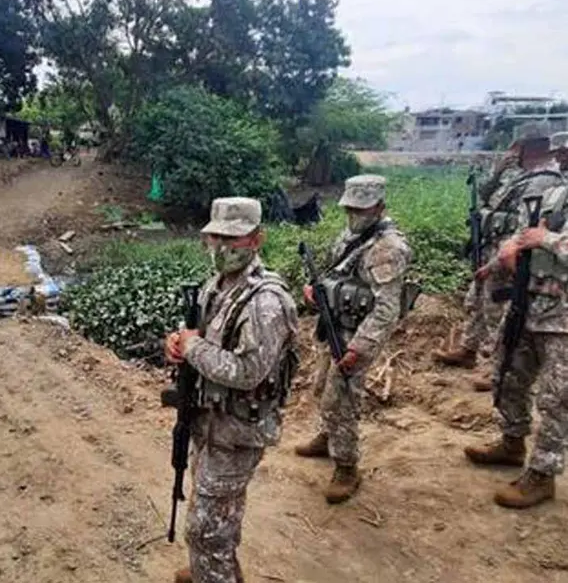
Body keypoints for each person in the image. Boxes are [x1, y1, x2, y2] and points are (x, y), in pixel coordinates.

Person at [165, 197, 299, 583]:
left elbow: (248, 372)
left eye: (233, 239)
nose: (222, 248)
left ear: (257, 239)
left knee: (206, 530)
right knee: (216, 517)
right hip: (209, 421)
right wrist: (177, 344)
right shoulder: (219, 285)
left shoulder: (266, 302)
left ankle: (212, 569)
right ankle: (212, 569)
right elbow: (205, 339)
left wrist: (192, 347)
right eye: (216, 238)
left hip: (237, 430)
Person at [464, 130, 568, 509]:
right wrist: (498, 259)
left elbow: (539, 238)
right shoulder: (556, 195)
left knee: (557, 399)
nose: (561, 160)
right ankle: (511, 442)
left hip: (563, 318)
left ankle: (541, 475)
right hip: (528, 301)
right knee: (507, 375)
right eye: (560, 152)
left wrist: (547, 240)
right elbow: (520, 236)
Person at [294, 174, 412, 504]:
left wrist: (360, 348)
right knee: (322, 387)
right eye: (350, 209)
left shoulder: (387, 249)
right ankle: (329, 435)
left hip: (358, 334)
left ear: (379, 207)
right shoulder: (353, 235)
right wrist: (315, 293)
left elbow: (387, 309)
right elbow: (339, 275)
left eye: (361, 209)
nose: (354, 215)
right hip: (334, 324)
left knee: (340, 397)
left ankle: (347, 466)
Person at [433, 126, 559, 391]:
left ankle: (494, 365)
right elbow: (486, 196)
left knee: (497, 308)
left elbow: (528, 224)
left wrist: (506, 257)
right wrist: (499, 170)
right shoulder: (520, 176)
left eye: (515, 148)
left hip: (512, 252)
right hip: (495, 246)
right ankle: (469, 348)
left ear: (528, 148)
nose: (511, 153)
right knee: (476, 297)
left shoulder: (544, 180)